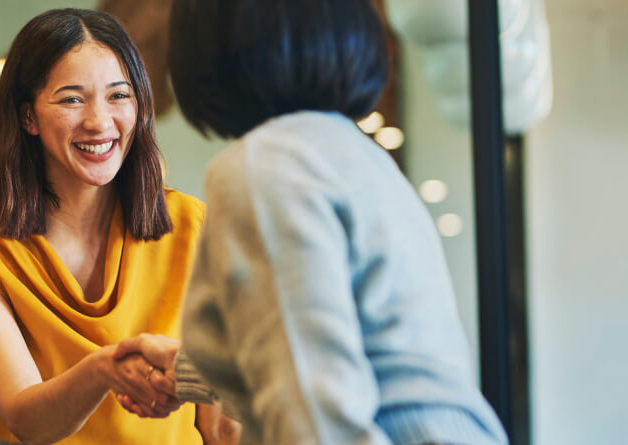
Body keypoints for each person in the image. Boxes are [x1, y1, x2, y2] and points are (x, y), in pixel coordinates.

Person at [112, 0, 510, 444]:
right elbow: (361, 357)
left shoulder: (266, 166)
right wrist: (187, 371)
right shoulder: (359, 157)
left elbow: (314, 414)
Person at [0, 8, 235, 445]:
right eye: (72, 98)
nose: (99, 121)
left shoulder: (195, 227)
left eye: (118, 95)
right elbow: (28, 419)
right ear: (27, 117)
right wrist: (106, 369)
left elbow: (221, 425)